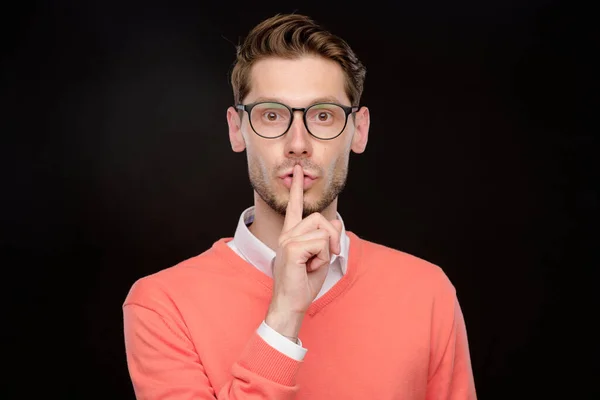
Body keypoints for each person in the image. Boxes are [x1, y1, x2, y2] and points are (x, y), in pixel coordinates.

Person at [123, 13, 477, 399]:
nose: (297, 143)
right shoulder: (161, 305)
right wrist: (284, 315)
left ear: (359, 131)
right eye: (271, 115)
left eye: (323, 116)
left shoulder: (427, 292)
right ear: (236, 130)